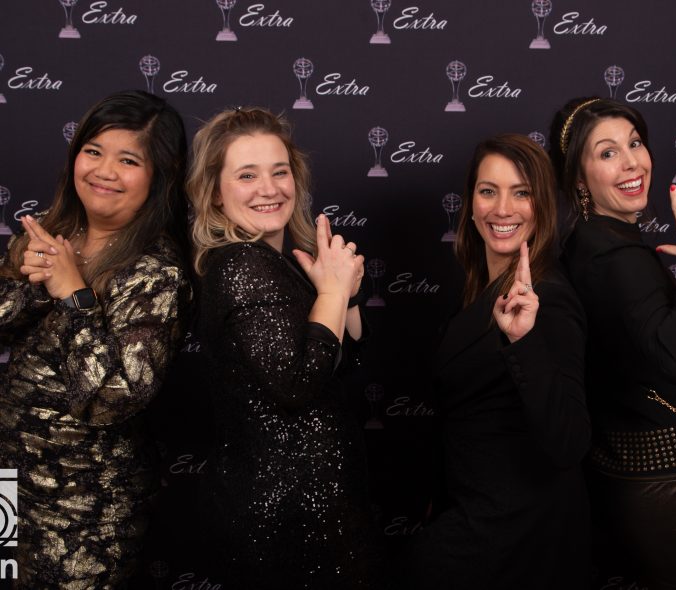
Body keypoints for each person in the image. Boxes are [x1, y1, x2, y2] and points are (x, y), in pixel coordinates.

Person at [0, 90, 192, 587]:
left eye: (128, 160)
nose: (104, 171)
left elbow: (111, 399)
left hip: (85, 513)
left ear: (160, 175)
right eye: (93, 151)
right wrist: (30, 284)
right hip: (9, 487)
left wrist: (74, 296)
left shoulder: (155, 273)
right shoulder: (50, 234)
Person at [188, 107, 381, 589]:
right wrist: (331, 292)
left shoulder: (278, 263)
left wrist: (344, 294)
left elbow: (343, 363)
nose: (269, 188)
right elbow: (298, 384)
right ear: (216, 192)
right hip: (288, 520)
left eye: (279, 171)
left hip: (317, 509)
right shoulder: (244, 266)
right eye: (247, 175)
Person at [549, 97, 676, 589]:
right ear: (578, 179)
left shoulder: (592, 241)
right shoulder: (615, 255)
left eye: (634, 143)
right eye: (607, 153)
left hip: (633, 476)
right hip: (671, 486)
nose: (631, 162)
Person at [405, 134, 591, 589]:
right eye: (488, 191)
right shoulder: (480, 286)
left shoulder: (548, 298)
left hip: (519, 541)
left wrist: (523, 341)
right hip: (477, 525)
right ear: (471, 205)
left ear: (542, 206)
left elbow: (569, 442)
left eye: (521, 193)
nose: (502, 209)